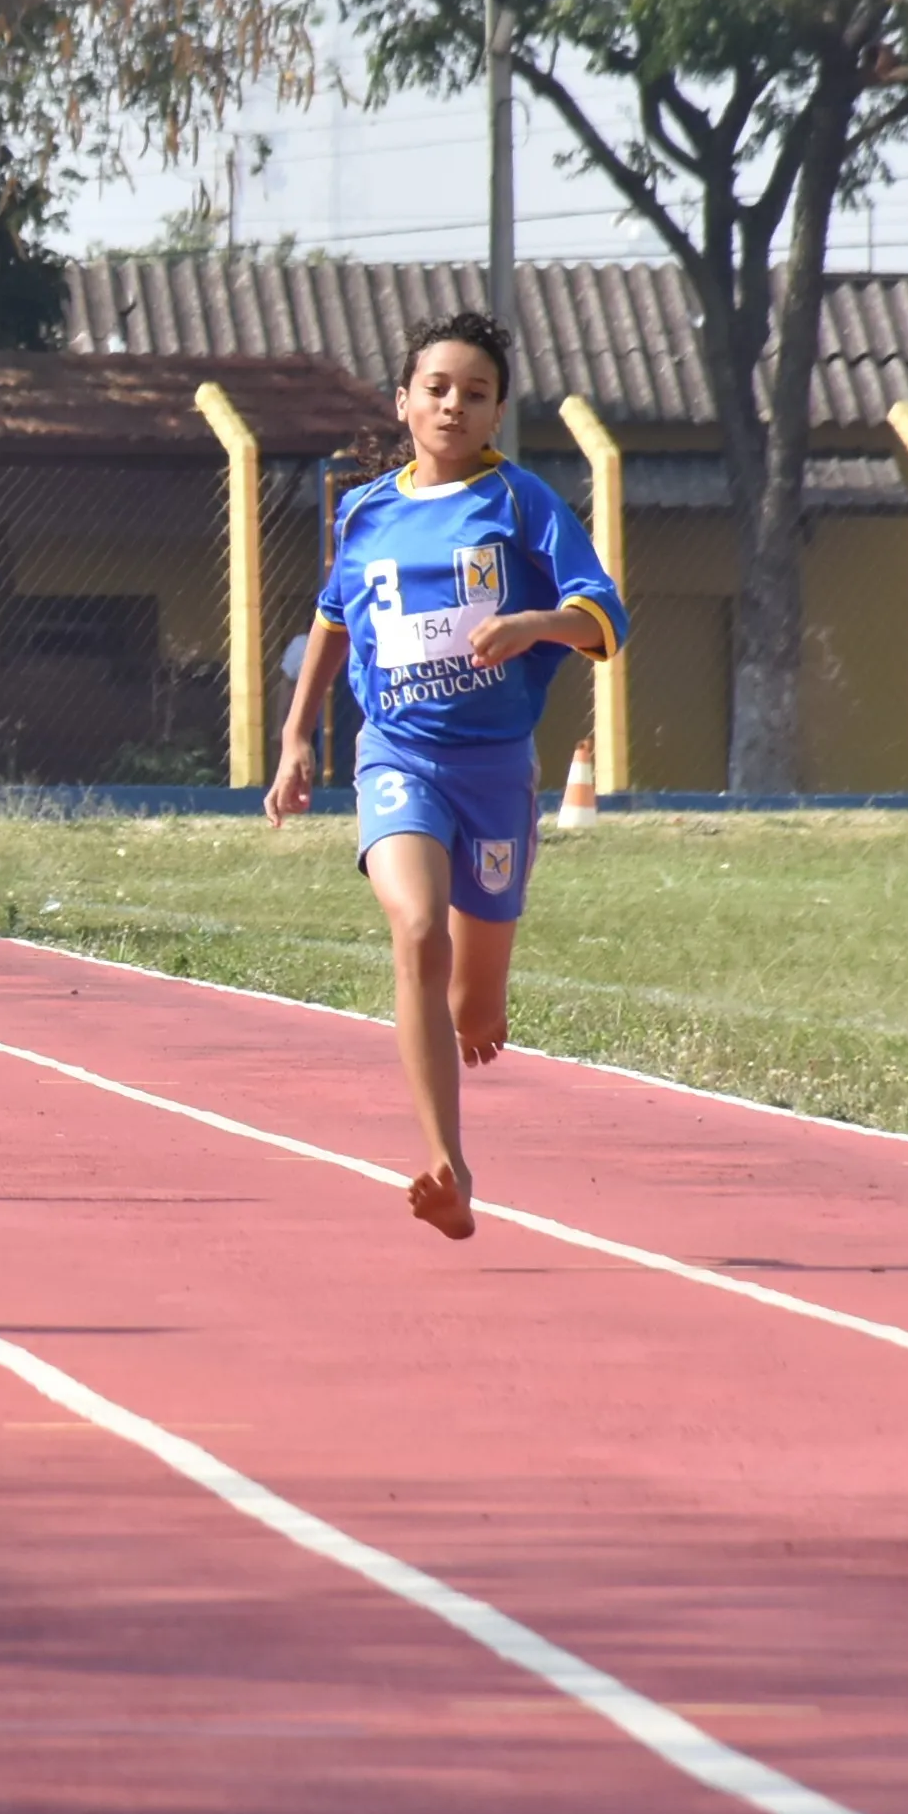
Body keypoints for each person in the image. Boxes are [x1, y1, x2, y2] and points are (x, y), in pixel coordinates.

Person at [265, 313, 628, 1243]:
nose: (453, 404)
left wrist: (531, 626)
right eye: (436, 388)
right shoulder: (366, 511)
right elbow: (334, 620)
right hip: (398, 755)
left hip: (496, 769)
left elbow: (603, 618)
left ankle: (483, 988)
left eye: (474, 392)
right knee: (418, 932)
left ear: (497, 410)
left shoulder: (521, 503)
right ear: (403, 400)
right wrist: (297, 739)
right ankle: (448, 1164)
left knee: (475, 1004)